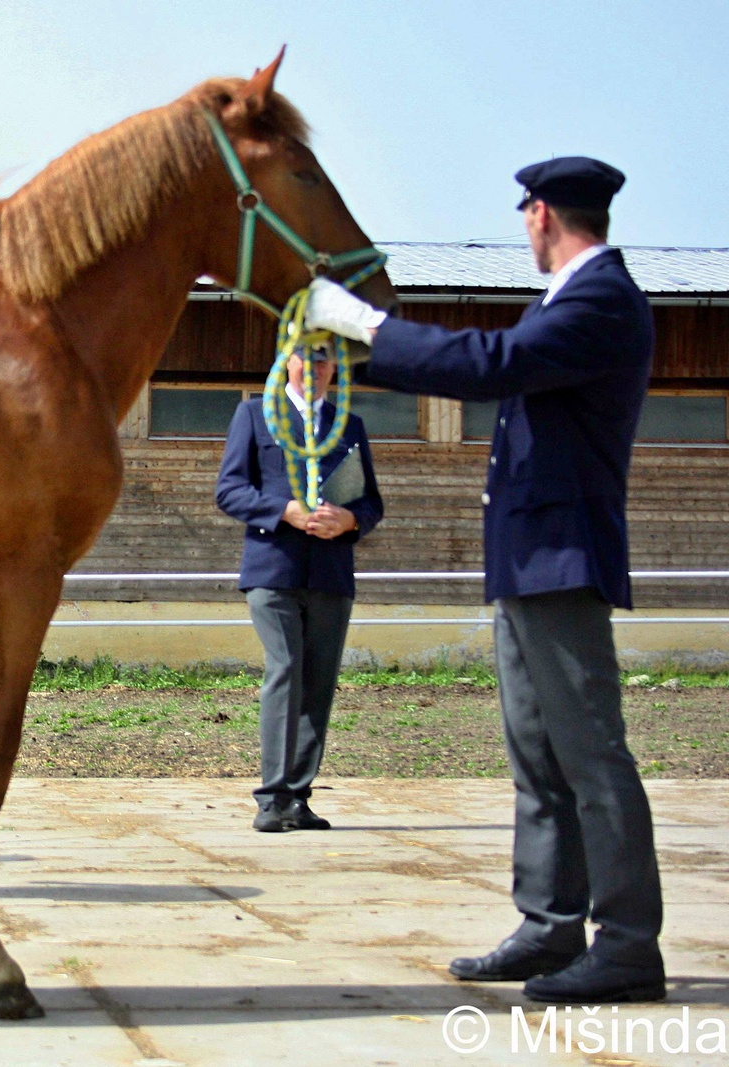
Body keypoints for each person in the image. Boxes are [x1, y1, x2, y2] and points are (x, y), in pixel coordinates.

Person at [305, 156, 665, 1004]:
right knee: (538, 756)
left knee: (591, 755)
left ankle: (628, 943)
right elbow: (481, 364)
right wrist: (349, 346)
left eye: (525, 217)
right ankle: (550, 924)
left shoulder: (601, 296)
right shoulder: (571, 298)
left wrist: (360, 321)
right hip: (532, 558)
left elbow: (489, 363)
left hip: (562, 559)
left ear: (540, 213)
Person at [215, 349, 383, 833]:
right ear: (286, 363)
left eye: (326, 361)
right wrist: (284, 510)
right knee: (286, 669)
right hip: (273, 568)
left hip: (331, 571)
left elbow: (371, 501)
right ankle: (270, 798)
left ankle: (297, 797)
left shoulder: (348, 424)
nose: (315, 369)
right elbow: (229, 489)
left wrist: (350, 519)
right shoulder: (254, 414)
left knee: (319, 682)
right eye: (305, 359)